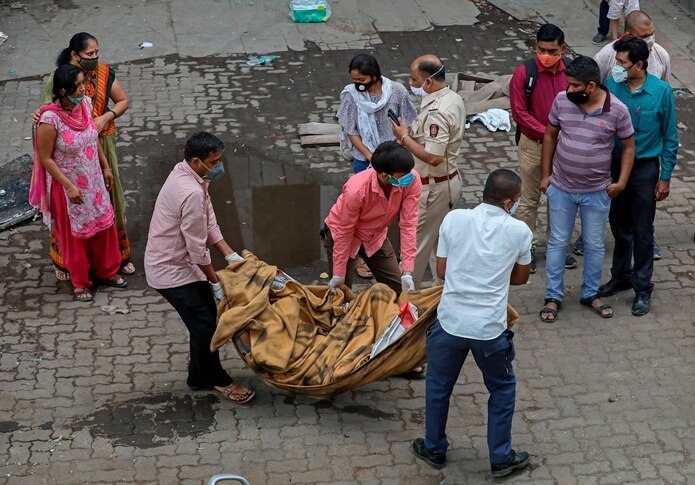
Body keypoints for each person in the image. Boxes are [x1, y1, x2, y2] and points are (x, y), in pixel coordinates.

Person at [410, 169, 532, 478]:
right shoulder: (519, 232)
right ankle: (501, 458)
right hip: (489, 330)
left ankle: (434, 448)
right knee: (502, 390)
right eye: (516, 201)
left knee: (438, 388)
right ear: (508, 202)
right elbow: (520, 278)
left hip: (449, 323)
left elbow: (441, 271)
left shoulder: (455, 219)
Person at [144, 132, 254, 404]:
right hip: (170, 270)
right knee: (206, 324)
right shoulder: (190, 191)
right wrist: (215, 281)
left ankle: (197, 375)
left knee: (203, 322)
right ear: (196, 161)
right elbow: (196, 248)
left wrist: (230, 255)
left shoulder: (190, 177)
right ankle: (216, 379)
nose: (218, 167)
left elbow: (209, 223)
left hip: (181, 264)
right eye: (214, 162)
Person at [539, 56, 635, 322]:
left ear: (591, 87)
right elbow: (549, 135)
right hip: (560, 188)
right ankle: (553, 296)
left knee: (594, 245)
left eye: (574, 86)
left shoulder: (617, 110)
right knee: (558, 242)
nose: (568, 90)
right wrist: (545, 175)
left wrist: (622, 182)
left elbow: (628, 147)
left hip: (597, 191)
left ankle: (590, 293)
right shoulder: (561, 101)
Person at [34, 32, 133, 281]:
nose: (94, 58)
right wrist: (68, 185)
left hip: (96, 154)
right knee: (72, 223)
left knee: (105, 208)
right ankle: (74, 271)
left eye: (96, 53)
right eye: (89, 54)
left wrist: (104, 119)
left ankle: (112, 262)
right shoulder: (55, 103)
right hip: (68, 167)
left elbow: (122, 101)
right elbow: (46, 143)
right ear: (74, 55)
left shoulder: (95, 88)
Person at [576, 10, 671, 258]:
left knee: (642, 213)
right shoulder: (609, 57)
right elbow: (591, 89)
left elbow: (666, 108)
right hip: (610, 151)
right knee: (603, 201)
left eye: (652, 35)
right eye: (644, 37)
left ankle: (645, 246)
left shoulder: (660, 57)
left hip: (645, 157)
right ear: (628, 35)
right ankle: (588, 237)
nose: (650, 42)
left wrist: (667, 174)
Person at [599, 37, 678, 316]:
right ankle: (620, 276)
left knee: (643, 231)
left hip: (645, 169)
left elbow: (670, 137)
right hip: (615, 164)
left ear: (639, 65)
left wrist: (665, 177)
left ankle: (643, 288)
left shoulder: (661, 91)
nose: (617, 67)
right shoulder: (612, 85)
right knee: (619, 225)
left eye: (622, 63)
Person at [337, 53, 417, 279]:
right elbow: (351, 130)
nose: (357, 84)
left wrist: (401, 141)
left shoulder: (397, 92)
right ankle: (362, 257)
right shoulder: (350, 96)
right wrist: (371, 157)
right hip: (365, 160)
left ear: (374, 76)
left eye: (361, 80)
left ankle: (404, 256)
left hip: (395, 158)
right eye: (355, 80)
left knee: (402, 208)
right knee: (365, 212)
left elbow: (408, 122)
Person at [391, 54, 465, 288]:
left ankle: (407, 300)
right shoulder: (452, 97)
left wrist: (404, 137)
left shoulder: (437, 113)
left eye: (414, 80)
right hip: (444, 183)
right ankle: (440, 293)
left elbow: (433, 156)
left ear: (429, 82)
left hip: (433, 188)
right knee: (438, 246)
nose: (411, 84)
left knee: (415, 248)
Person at [509, 24, 577, 274]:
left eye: (552, 50)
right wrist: (549, 134)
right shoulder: (523, 73)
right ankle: (527, 250)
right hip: (533, 145)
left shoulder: (571, 70)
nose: (546, 55)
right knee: (528, 200)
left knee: (560, 200)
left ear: (562, 48)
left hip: (566, 145)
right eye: (541, 49)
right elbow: (520, 114)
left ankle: (557, 248)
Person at [322, 141, 421, 296]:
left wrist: (407, 270)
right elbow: (345, 231)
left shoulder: (412, 179)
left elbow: (409, 224)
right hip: (343, 234)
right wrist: (338, 272)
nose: (409, 177)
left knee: (398, 290)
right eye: (403, 175)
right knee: (342, 294)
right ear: (384, 175)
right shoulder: (357, 190)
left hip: (375, 235)